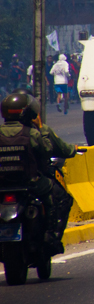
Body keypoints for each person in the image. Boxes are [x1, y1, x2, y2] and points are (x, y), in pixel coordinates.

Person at [0, 92, 74, 255]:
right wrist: (41, 128)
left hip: (3, 185)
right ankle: (50, 235)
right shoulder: (31, 133)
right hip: (30, 183)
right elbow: (46, 150)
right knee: (58, 198)